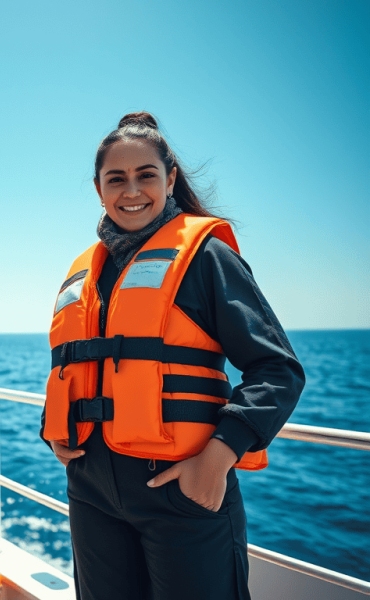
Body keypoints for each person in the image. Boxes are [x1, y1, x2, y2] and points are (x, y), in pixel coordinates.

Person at [41, 112, 305, 600]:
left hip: (181, 490)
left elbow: (278, 369)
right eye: (115, 179)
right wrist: (55, 428)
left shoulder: (206, 258)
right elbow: (75, 364)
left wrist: (220, 456)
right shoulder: (89, 271)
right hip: (91, 491)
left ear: (170, 180)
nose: (131, 191)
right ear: (99, 189)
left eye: (146, 175)